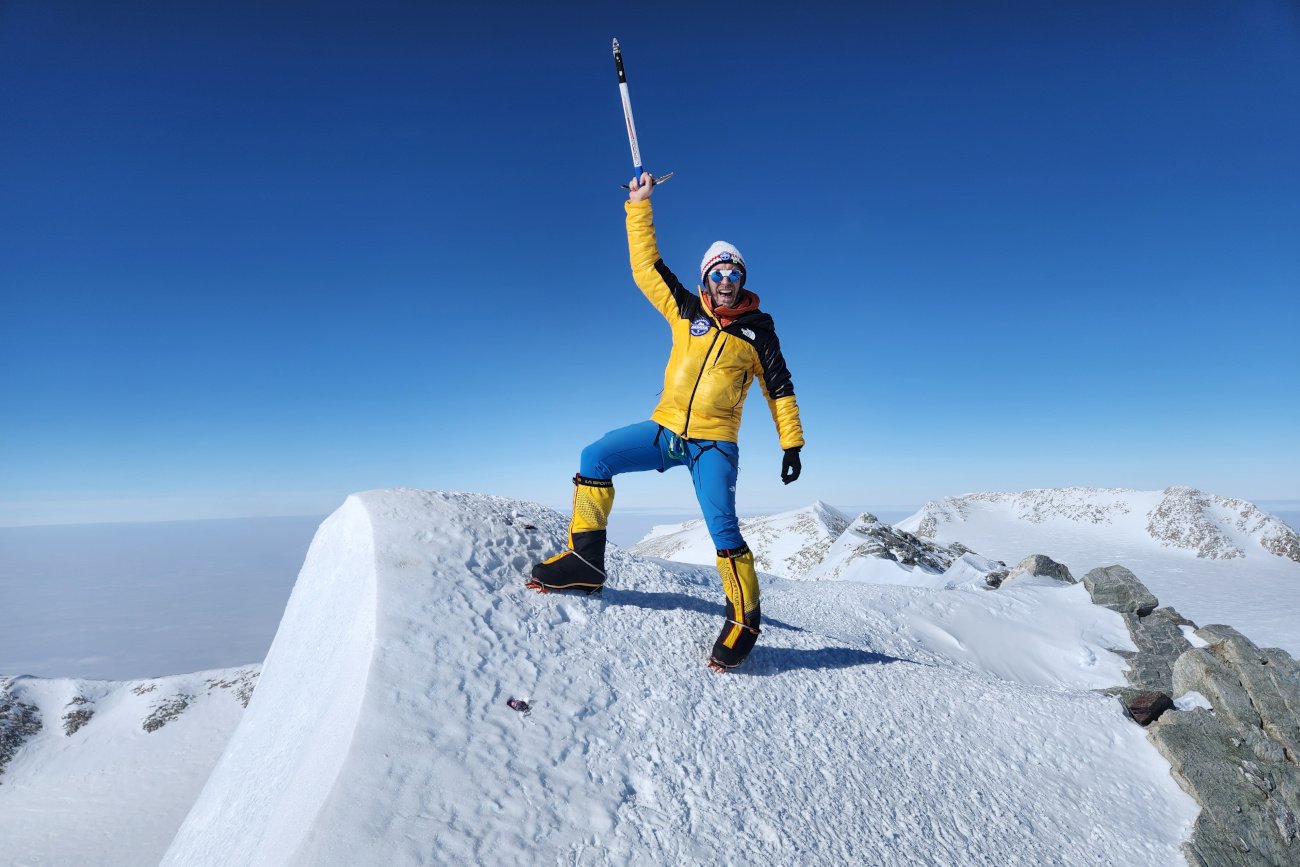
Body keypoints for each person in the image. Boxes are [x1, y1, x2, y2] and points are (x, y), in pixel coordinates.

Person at [527, 171, 805, 673]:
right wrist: (639, 205)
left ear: (743, 281)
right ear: (705, 277)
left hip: (713, 444)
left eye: (734, 274)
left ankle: (744, 619)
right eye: (718, 273)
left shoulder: (758, 331)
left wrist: (792, 444)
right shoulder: (685, 309)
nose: (726, 281)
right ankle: (586, 563)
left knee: (722, 525)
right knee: (596, 457)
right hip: (665, 430)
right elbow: (646, 267)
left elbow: (779, 388)